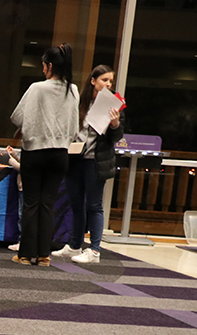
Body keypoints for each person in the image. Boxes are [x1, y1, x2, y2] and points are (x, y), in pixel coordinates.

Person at [10, 43, 78, 266]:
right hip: (60, 154)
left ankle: (25, 255)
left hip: (35, 152)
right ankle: (44, 255)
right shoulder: (73, 90)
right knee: (48, 204)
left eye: (43, 66)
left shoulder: (37, 88)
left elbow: (17, 118)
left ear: (49, 66)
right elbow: (75, 128)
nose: (42, 70)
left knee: (31, 203)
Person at [53, 64, 124, 265]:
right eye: (104, 80)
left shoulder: (114, 104)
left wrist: (115, 124)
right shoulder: (80, 102)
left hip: (96, 161)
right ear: (93, 81)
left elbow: (117, 136)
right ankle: (74, 244)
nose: (108, 84)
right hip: (75, 159)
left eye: (110, 81)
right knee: (75, 204)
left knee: (94, 205)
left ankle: (94, 250)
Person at [5, 145, 22, 251]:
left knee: (23, 215)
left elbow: (27, 168)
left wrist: (14, 163)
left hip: (26, 187)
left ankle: (22, 241)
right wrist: (14, 155)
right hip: (24, 187)